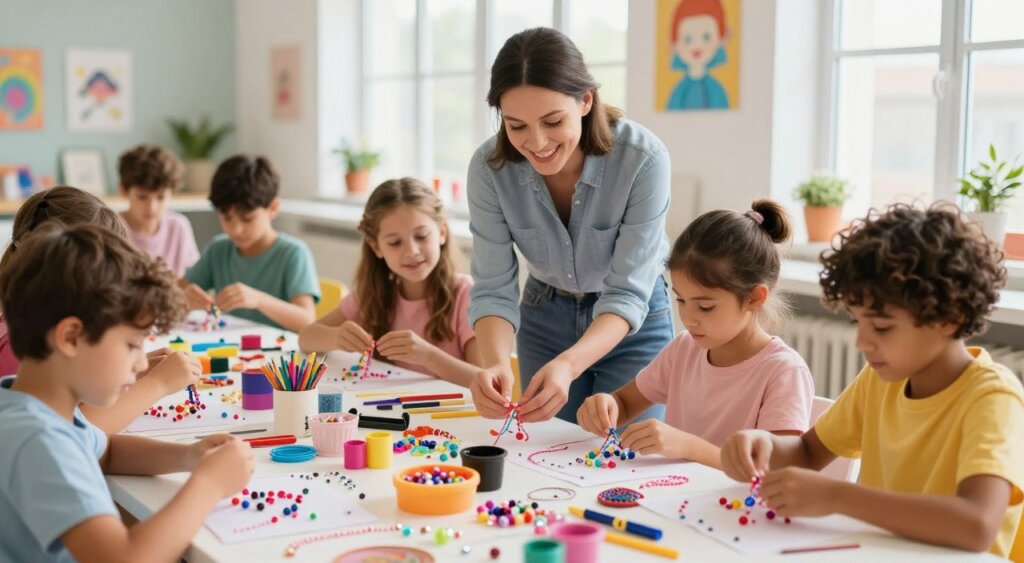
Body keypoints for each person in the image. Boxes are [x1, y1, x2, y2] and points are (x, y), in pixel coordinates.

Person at [720, 203, 1024, 556]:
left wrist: (837, 496)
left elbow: (976, 525)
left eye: (880, 327)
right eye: (858, 322)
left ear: (949, 318)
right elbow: (807, 453)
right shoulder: (881, 380)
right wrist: (763, 445)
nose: (862, 342)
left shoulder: (993, 398)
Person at [0, 222, 253, 562]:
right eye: (132, 345)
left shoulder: (32, 407)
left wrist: (189, 457)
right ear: (71, 337)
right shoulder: (40, 440)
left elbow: (106, 452)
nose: (139, 364)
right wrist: (209, 484)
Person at [468, 27, 674, 424]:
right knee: (550, 461)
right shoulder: (489, 168)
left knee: (624, 458)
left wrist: (570, 364)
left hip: (635, 323)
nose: (537, 142)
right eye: (517, 126)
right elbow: (493, 287)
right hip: (544, 316)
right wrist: (494, 363)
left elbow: (628, 292)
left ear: (585, 100)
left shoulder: (643, 160)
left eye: (552, 121)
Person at [577, 200, 813, 468]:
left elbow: (775, 471)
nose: (688, 318)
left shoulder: (783, 371)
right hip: (673, 500)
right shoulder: (684, 349)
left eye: (705, 306)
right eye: (681, 301)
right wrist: (606, 406)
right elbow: (624, 403)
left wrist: (690, 447)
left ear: (754, 298)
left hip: (736, 508)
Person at [0, 186, 201, 433]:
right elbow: (73, 433)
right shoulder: (19, 345)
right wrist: (156, 385)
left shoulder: (40, 321)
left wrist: (127, 372)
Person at [299, 178, 482, 386]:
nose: (412, 251)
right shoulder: (373, 293)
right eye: (395, 243)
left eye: (421, 236)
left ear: (441, 233)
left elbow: (486, 381)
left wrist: (429, 356)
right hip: (392, 410)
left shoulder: (466, 295)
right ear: (376, 246)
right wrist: (336, 337)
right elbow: (306, 338)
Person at [182, 155, 320, 331]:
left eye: (247, 219)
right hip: (229, 348)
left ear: (273, 208)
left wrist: (259, 300)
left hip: (277, 354)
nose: (236, 229)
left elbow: (308, 322)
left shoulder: (293, 253)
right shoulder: (219, 249)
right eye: (227, 218)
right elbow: (169, 297)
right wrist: (183, 298)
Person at [118, 144, 200, 276]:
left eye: (160, 197)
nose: (152, 207)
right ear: (123, 190)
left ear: (172, 192)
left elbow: (191, 279)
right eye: (142, 197)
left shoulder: (178, 227)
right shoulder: (110, 228)